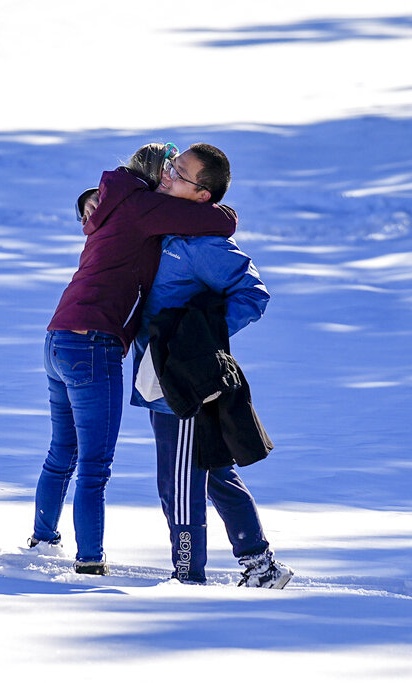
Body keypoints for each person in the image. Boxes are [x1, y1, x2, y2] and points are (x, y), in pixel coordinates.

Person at [30, 143, 238, 575]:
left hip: (58, 339)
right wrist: (228, 214)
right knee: (94, 464)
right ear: (150, 176)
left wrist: (89, 197)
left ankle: (42, 538)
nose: (170, 178)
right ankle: (89, 561)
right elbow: (214, 220)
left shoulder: (115, 202)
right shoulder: (143, 207)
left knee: (62, 451)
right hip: (93, 345)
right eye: (168, 170)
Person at [124, 142, 293, 588]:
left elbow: (254, 295)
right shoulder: (166, 225)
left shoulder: (203, 245)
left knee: (178, 484)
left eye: (179, 173)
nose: (168, 176)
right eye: (171, 167)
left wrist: (199, 341)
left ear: (202, 194)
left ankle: (188, 581)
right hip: (163, 375)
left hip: (181, 383)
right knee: (214, 469)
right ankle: (261, 565)